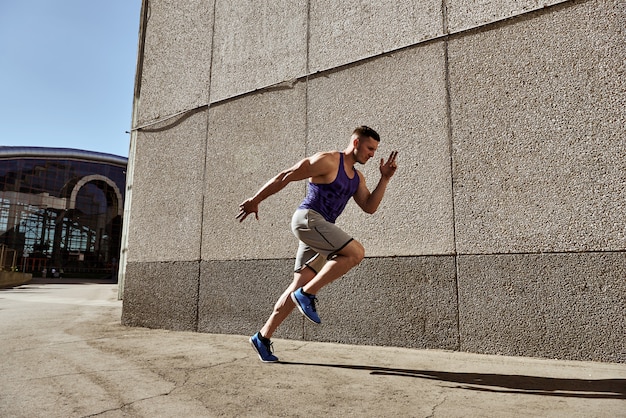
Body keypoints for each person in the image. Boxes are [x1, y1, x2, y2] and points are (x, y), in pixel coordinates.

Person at [237, 126, 398, 362]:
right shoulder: (328, 161)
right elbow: (286, 175)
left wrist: (384, 179)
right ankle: (307, 293)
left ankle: (262, 337)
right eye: (369, 148)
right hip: (307, 219)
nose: (372, 154)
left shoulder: (357, 178)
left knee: (297, 286)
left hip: (321, 231)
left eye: (375, 150)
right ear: (355, 143)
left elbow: (369, 207)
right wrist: (255, 200)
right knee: (355, 253)